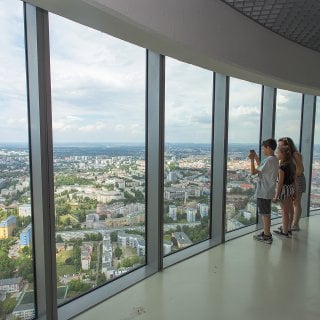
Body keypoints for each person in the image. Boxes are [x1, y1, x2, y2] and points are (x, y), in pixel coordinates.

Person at [249, 139, 279, 244]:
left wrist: (252, 160)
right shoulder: (274, 159)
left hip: (264, 191)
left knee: (265, 214)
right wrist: (256, 157)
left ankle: (267, 236)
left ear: (269, 148)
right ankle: (267, 233)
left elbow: (253, 172)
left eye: (264, 147)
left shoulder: (268, 160)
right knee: (266, 212)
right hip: (269, 190)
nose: (263, 149)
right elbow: (261, 168)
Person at [278, 137, 306, 231]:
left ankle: (295, 224)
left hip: (297, 180)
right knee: (290, 204)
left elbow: (301, 170)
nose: (280, 147)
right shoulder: (288, 156)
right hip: (292, 180)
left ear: (287, 145)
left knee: (296, 203)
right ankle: (288, 226)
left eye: (281, 145)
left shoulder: (295, 154)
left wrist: (291, 174)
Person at [273, 145, 296, 237]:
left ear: (283, 154)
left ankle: (285, 231)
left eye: (278, 152)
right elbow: (294, 179)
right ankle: (288, 229)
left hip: (284, 191)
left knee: (284, 212)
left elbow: (280, 182)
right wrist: (294, 191)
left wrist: (276, 196)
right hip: (290, 189)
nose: (277, 154)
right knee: (290, 210)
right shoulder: (291, 164)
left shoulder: (282, 167)